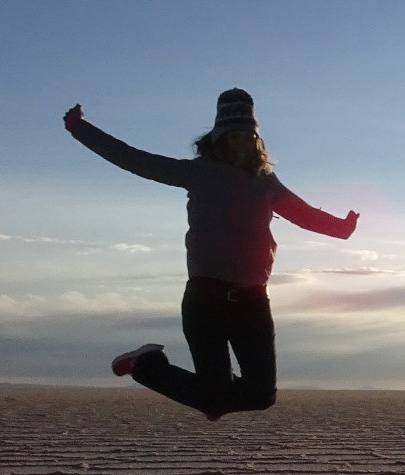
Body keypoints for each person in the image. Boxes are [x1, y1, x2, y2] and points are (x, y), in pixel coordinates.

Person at [63, 88, 358, 420]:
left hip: (252, 300)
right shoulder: (198, 172)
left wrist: (342, 228)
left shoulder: (265, 181)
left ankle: (185, 383)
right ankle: (145, 367)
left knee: (261, 395)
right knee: (214, 397)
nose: (242, 144)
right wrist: (80, 129)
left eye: (248, 137)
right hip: (207, 298)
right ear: (220, 137)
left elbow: (302, 213)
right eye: (234, 136)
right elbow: (133, 159)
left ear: (257, 140)